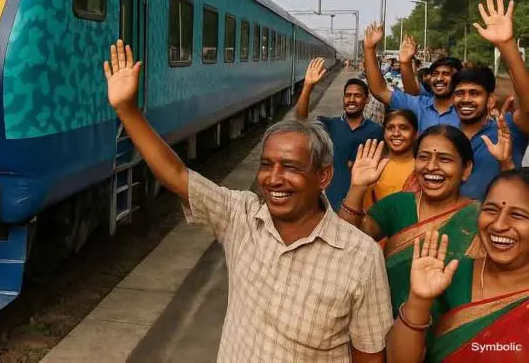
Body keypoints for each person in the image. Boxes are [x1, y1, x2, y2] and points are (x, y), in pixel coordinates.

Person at [103, 40, 392, 362]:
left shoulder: (361, 256)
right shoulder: (240, 217)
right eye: (267, 165)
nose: (273, 178)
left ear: (323, 177)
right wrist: (127, 110)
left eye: (291, 167)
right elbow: (176, 175)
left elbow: (369, 355)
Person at [338, 125, 480, 316]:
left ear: (466, 169)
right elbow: (348, 238)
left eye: (444, 159)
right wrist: (357, 187)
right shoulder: (398, 204)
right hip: (389, 326)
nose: (431, 167)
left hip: (452, 336)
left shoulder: (481, 217)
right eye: (423, 157)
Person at [386, 171, 529, 362]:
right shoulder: (451, 274)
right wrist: (418, 300)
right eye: (491, 210)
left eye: (518, 215)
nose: (499, 225)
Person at [450, 0, 529, 201]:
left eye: (474, 93)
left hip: (499, 229)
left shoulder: (507, 130)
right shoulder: (446, 137)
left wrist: (507, 45)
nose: (465, 99)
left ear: (491, 100)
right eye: (460, 93)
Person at [296, 58, 383, 210]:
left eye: (357, 95)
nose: (351, 99)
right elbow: (300, 119)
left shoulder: (376, 131)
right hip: (328, 205)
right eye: (348, 95)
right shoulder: (329, 125)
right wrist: (308, 86)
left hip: (361, 207)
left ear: (366, 100)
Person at [364, 25, 462, 133]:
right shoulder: (419, 106)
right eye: (435, 74)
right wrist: (369, 49)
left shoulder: (466, 108)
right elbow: (380, 90)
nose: (439, 78)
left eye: (446, 74)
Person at [361, 109, 418, 211]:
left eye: (403, 128)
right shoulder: (374, 167)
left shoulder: (422, 167)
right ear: (384, 133)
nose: (396, 133)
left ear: (415, 134)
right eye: (390, 128)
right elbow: (366, 211)